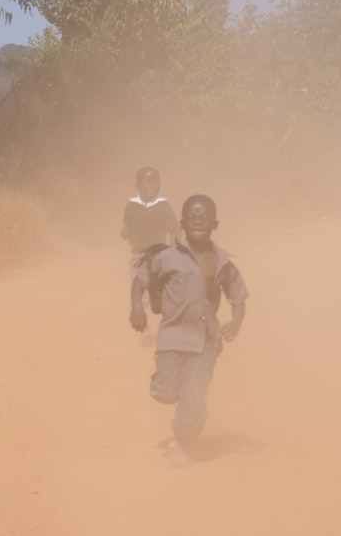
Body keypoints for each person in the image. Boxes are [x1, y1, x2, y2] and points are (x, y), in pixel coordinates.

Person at [129, 194, 248, 467]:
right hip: (172, 336)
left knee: (193, 396)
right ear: (182, 223)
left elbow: (238, 297)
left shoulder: (222, 263)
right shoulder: (166, 257)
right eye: (192, 218)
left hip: (206, 340)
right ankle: (189, 404)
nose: (197, 222)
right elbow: (141, 280)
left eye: (203, 218)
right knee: (165, 393)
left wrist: (236, 322)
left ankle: (182, 441)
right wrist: (137, 307)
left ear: (214, 224)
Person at [121, 166, 181, 329]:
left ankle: (171, 324)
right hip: (138, 256)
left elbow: (174, 229)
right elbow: (128, 224)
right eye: (147, 181)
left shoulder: (163, 206)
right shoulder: (131, 206)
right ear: (137, 185)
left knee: (162, 291)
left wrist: (175, 250)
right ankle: (142, 325)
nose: (152, 185)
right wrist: (125, 232)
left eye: (155, 181)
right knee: (139, 292)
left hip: (159, 255)